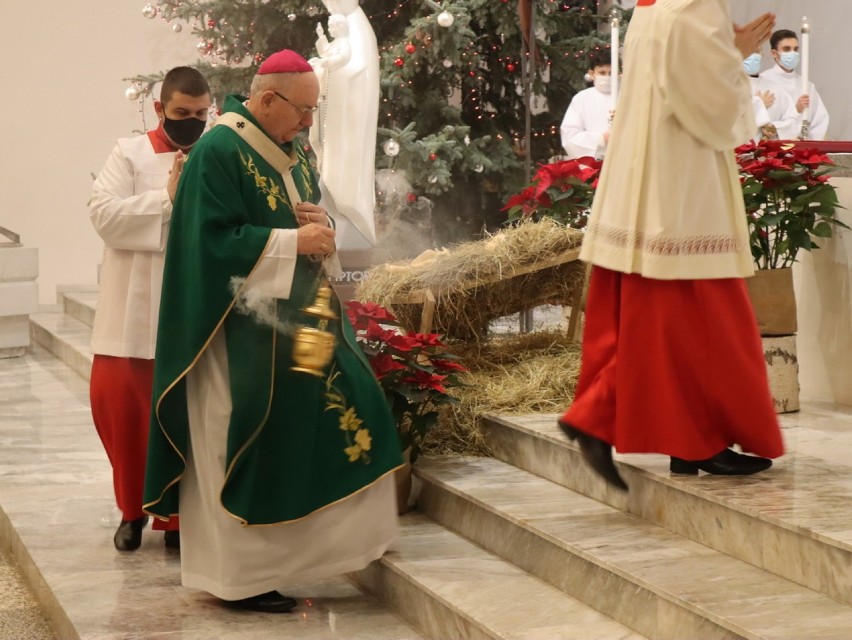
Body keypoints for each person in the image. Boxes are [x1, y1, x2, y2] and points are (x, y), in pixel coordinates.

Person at [142, 49, 402, 614]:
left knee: (352, 408)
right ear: (266, 100)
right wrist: (291, 243)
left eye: (313, 110)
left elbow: (306, 220)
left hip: (298, 323)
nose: (309, 121)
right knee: (245, 442)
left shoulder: (292, 148)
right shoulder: (217, 151)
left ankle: (320, 554)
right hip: (236, 335)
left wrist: (322, 227)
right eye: (303, 109)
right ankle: (242, 575)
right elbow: (207, 246)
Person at [558, 0, 784, 491]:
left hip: (645, 178)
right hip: (682, 184)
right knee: (703, 318)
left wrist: (725, 49)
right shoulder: (695, 7)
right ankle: (637, 424)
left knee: (666, 314)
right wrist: (736, 54)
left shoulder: (651, 7)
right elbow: (710, 106)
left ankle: (687, 440)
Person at [89, 66, 211, 551]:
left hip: (193, 309)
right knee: (122, 412)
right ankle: (131, 511)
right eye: (182, 113)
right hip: (132, 311)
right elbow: (103, 214)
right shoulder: (130, 152)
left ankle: (178, 520)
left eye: (202, 113)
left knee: (186, 419)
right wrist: (165, 202)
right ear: (160, 109)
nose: (193, 123)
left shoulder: (215, 152)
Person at [759, 29, 830, 140]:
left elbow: (819, 122)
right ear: (774, 53)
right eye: (787, 49)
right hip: (773, 150)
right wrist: (795, 110)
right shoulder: (763, 81)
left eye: (796, 49)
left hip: (803, 150)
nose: (792, 53)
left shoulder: (807, 86)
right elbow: (762, 125)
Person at [560, 50, 615, 160]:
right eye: (602, 73)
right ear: (592, 73)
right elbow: (569, 135)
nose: (607, 77)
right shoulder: (582, 98)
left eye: (611, 73)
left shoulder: (625, 96)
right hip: (595, 161)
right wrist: (601, 138)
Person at [743, 49, 798, 140]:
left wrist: (775, 127)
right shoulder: (728, 87)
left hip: (768, 151)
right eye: (749, 50)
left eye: (757, 51)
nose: (753, 56)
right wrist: (758, 104)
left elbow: (793, 121)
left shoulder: (775, 89)